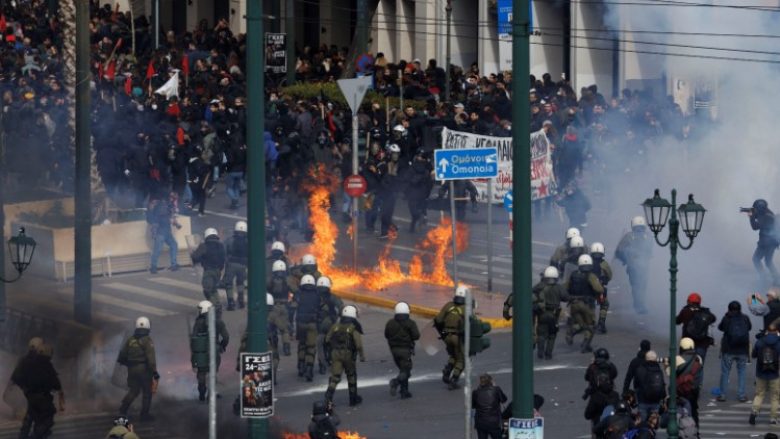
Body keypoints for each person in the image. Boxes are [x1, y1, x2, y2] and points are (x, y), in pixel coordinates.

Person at [11, 342, 64, 438]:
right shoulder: (47, 365)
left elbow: (17, 378)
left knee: (31, 419)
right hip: (42, 399)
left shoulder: (28, 362)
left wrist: (25, 389)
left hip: (31, 397)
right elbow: (55, 384)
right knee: (48, 419)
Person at [117, 317, 158, 421]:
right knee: (147, 393)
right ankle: (144, 415)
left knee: (134, 391)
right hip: (144, 369)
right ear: (148, 326)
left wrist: (129, 364)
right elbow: (151, 358)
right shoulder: (147, 340)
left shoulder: (130, 340)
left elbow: (121, 357)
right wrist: (154, 372)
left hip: (132, 369)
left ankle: (122, 410)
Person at [325, 305, 365, 406]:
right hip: (348, 355)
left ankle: (328, 397)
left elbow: (327, 339)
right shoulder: (353, 328)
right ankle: (353, 399)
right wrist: (362, 356)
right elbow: (358, 344)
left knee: (335, 377)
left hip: (335, 354)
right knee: (351, 376)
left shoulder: (336, 326)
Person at [190, 301, 230, 402]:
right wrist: (222, 346)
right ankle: (211, 394)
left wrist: (195, 352)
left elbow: (194, 338)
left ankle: (202, 393)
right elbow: (226, 337)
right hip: (214, 350)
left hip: (202, 351)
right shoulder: (218, 321)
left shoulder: (198, 322)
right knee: (213, 372)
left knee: (201, 372)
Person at [565, 254, 604, 353]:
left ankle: (571, 331)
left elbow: (565, 287)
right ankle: (585, 344)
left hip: (573, 303)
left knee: (581, 324)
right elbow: (598, 289)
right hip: (587, 305)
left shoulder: (573, 274)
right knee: (590, 325)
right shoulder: (591, 276)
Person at [615, 216, 653, 314]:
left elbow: (618, 251)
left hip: (633, 266)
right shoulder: (648, 236)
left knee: (636, 286)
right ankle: (640, 305)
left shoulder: (628, 236)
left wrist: (626, 260)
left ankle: (639, 305)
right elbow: (650, 252)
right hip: (644, 266)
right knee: (641, 286)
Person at [716, 300, 751, 402]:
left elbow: (720, 328)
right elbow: (749, 327)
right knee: (742, 372)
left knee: (725, 372)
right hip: (743, 349)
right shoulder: (745, 318)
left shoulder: (727, 318)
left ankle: (722, 395)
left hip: (728, 349)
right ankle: (741, 395)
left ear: (729, 309)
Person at [385, 301, 421, 399]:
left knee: (403, 370)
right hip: (405, 351)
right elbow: (416, 336)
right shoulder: (410, 323)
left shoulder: (390, 323)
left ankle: (404, 392)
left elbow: (386, 335)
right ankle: (395, 382)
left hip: (394, 350)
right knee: (407, 371)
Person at [434, 285, 468, 389]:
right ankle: (454, 379)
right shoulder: (466, 309)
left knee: (453, 355)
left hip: (446, 337)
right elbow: (471, 324)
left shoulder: (448, 305)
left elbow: (438, 320)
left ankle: (447, 371)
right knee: (462, 359)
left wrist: (443, 332)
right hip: (457, 337)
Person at [533, 266, 569, 359]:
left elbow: (532, 293)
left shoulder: (540, 286)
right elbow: (566, 298)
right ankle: (548, 354)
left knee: (541, 334)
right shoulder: (558, 287)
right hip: (554, 315)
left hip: (542, 314)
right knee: (552, 335)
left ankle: (540, 353)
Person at [750, 324, 780, 425]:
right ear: (777, 331)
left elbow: (753, 355)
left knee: (759, 394)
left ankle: (754, 411)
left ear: (767, 331)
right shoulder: (778, 342)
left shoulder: (760, 341)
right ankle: (773, 418)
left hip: (760, 373)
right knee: (775, 397)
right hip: (774, 373)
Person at [190, 227, 226, 307]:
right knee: (213, 288)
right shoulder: (221, 245)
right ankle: (217, 303)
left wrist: (192, 254)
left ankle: (215, 305)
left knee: (207, 289)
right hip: (218, 271)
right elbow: (223, 257)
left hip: (208, 271)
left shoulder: (204, 245)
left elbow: (196, 257)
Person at [294, 274, 321, 381]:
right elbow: (322, 310)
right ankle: (309, 368)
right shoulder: (318, 295)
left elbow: (292, 308)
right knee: (311, 347)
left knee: (302, 345)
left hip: (301, 324)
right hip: (313, 324)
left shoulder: (298, 294)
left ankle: (301, 367)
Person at [747, 199, 779, 285]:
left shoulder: (766, 216)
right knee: (768, 261)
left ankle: (764, 278)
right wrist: (754, 214)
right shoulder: (767, 213)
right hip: (770, 242)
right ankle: (775, 278)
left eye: (756, 208)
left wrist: (751, 217)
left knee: (756, 259)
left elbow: (755, 227)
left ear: (760, 208)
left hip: (767, 243)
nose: (755, 210)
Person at [676, 292, 716, 361]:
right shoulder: (705, 312)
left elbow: (677, 321)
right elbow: (713, 319)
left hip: (687, 343)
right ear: (699, 302)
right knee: (699, 367)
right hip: (702, 343)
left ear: (689, 301)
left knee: (685, 367)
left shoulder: (685, 311)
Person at [147, 194, 180, 274]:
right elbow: (165, 218)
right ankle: (153, 267)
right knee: (158, 249)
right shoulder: (163, 206)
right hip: (161, 232)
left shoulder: (164, 205)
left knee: (173, 245)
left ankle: (173, 264)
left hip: (166, 231)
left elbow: (170, 217)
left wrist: (175, 222)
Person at [316, 276, 342, 374]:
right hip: (331, 326)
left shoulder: (315, 298)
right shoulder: (333, 297)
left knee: (319, 346)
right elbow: (341, 307)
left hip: (319, 326)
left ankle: (322, 365)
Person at [677, 337, 704, 429]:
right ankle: (695, 432)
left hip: (680, 390)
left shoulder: (678, 359)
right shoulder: (697, 358)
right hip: (693, 390)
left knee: (680, 412)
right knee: (694, 412)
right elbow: (699, 377)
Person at [632, 350, 666, 421]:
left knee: (642, 423)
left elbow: (635, 385)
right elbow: (662, 385)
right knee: (653, 424)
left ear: (646, 358)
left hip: (643, 401)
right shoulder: (659, 370)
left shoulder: (640, 369)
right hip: (656, 401)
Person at [268, 260, 293, 356]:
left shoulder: (270, 279)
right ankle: (287, 348)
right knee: (284, 329)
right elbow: (296, 291)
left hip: (273, 306)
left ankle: (274, 347)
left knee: (272, 328)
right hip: (285, 306)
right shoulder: (288, 280)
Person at [222, 220, 248, 310]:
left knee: (228, 284)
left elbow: (223, 251)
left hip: (231, 265)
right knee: (240, 283)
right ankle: (241, 301)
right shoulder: (248, 241)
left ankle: (231, 302)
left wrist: (226, 261)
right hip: (243, 266)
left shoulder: (230, 240)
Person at [472, 373, 508, 439]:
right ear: (491, 381)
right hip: (494, 423)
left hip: (480, 423)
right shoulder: (496, 389)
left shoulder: (475, 392)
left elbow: (473, 406)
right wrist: (495, 386)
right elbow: (504, 399)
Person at [590, 242, 613, 334]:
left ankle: (589, 322)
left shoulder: (587, 261)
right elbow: (610, 276)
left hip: (588, 288)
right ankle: (601, 323)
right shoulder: (604, 264)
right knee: (604, 304)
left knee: (590, 304)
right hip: (599, 289)